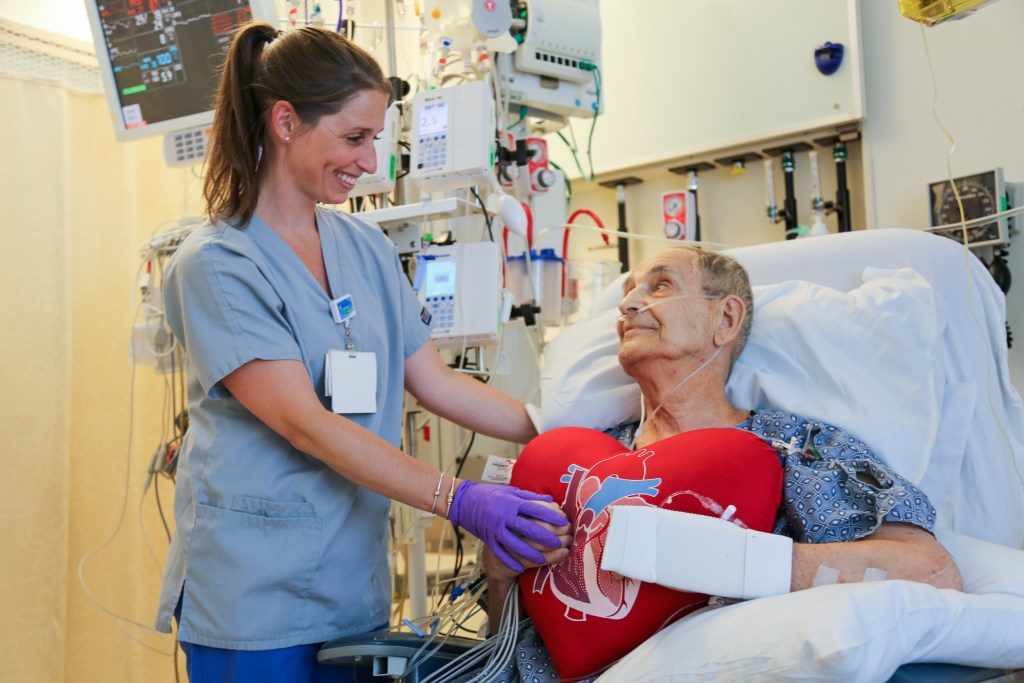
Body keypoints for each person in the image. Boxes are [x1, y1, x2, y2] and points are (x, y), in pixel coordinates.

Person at [152, 23, 569, 682]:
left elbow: (436, 381)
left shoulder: (365, 247)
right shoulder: (217, 265)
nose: (369, 162)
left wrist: (561, 425)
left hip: (352, 592)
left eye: (375, 138)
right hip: (254, 601)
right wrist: (458, 499)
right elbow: (305, 422)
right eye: (354, 138)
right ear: (285, 122)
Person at [478, 244, 962, 682]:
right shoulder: (579, 460)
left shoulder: (795, 448)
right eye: (627, 295)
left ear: (725, 319)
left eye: (660, 285)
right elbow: (504, 642)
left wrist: (732, 563)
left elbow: (931, 574)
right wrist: (500, 579)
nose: (626, 307)